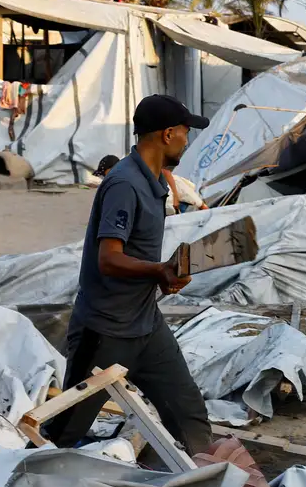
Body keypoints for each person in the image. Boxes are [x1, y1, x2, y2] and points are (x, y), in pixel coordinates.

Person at [45, 94, 213, 455]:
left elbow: (138, 256)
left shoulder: (156, 182)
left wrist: (165, 274)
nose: (187, 140)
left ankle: (203, 476)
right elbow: (108, 259)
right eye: (185, 132)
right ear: (167, 134)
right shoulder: (124, 183)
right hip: (105, 332)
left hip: (146, 325)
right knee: (64, 431)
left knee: (188, 413)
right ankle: (25, 477)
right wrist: (158, 270)